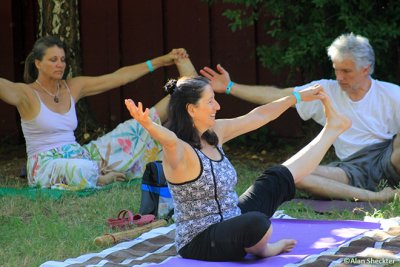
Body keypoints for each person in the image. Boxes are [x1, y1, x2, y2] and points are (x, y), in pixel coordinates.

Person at [124, 76, 350, 261]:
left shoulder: (215, 133)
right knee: (256, 223)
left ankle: (332, 129)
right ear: (192, 109)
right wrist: (148, 125)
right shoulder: (179, 152)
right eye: (210, 101)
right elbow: (169, 140)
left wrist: (297, 97)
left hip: (233, 218)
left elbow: (258, 116)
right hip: (201, 240)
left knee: (275, 178)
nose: (217, 106)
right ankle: (263, 249)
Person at [200, 33, 400, 202]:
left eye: (346, 71)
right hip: (349, 169)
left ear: (365, 69)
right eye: (336, 69)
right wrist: (229, 87)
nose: (339, 77)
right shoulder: (325, 89)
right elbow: (278, 96)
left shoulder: (391, 94)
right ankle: (376, 198)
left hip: (386, 159)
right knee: (291, 174)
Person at [0, 35, 196, 190]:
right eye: (53, 60)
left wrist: (162, 61)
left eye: (62, 60)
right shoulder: (26, 94)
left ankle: (186, 89)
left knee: (135, 129)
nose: (60, 64)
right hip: (46, 165)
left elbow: (119, 77)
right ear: (38, 63)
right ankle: (100, 178)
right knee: (81, 169)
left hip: (79, 154)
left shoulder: (72, 87)